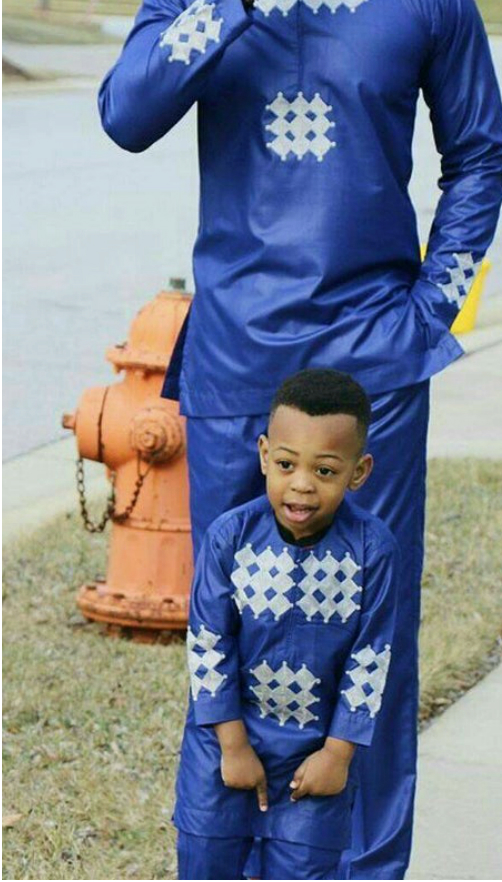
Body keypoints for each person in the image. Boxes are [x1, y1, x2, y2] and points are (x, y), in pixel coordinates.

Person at [98, 0, 502, 879]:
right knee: (218, 633)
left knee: (366, 636)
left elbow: (481, 156)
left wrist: (431, 313)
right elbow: (128, 116)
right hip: (235, 362)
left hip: (373, 363)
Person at [175, 369, 396, 881]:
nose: (301, 484)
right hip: (224, 739)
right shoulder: (231, 537)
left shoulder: (373, 550)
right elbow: (208, 644)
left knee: (305, 868)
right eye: (285, 464)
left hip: (313, 754)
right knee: (206, 861)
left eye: (324, 471)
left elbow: (371, 659)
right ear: (263, 456)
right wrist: (232, 745)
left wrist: (338, 754)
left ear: (358, 472)